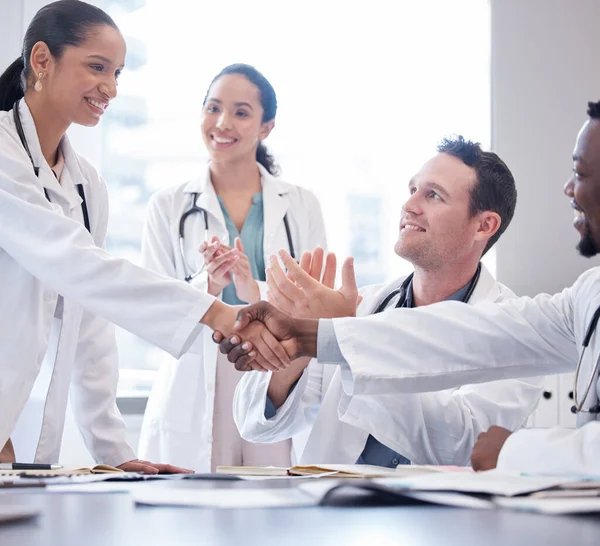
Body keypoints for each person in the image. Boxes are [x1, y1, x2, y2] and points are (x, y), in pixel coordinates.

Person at [218, 101, 600, 476]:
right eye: (413, 189)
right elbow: (258, 425)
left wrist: (335, 332)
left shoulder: (507, 319)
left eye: (433, 195)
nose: (409, 205)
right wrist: (301, 343)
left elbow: (465, 441)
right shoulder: (362, 305)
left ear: (483, 226)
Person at [0, 0, 287, 470]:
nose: (110, 87)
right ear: (41, 60)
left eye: (117, 73)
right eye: (97, 67)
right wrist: (213, 310)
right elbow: (72, 261)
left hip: (23, 434)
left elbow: (89, 320)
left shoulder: (86, 183)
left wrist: (115, 455)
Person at [137, 64, 326, 471]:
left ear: (266, 127)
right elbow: (151, 308)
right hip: (197, 370)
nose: (223, 123)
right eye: (213, 108)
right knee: (195, 521)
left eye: (241, 112)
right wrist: (208, 281)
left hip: (276, 367)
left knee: (276, 508)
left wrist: (251, 287)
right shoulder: (168, 205)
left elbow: (317, 302)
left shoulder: (301, 203)